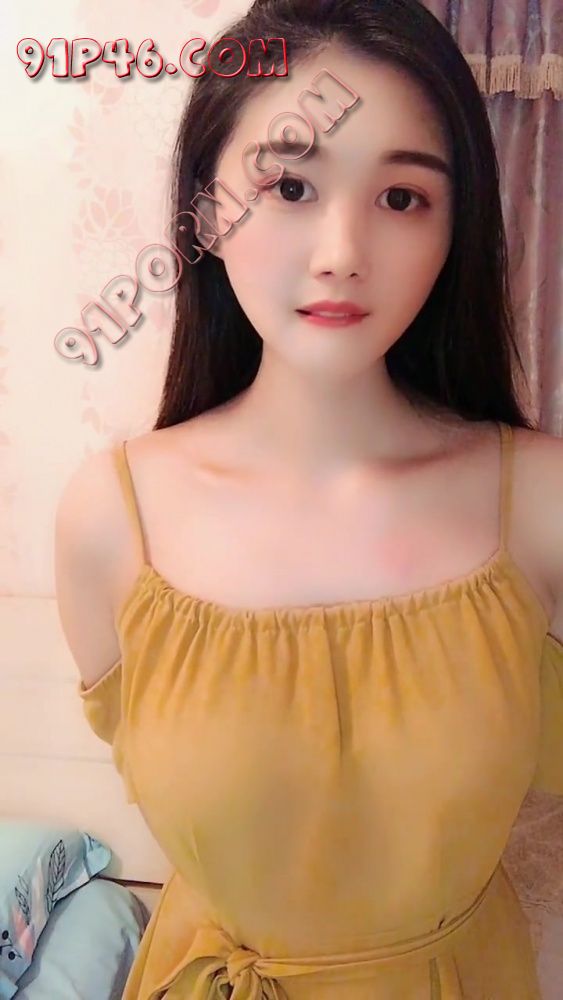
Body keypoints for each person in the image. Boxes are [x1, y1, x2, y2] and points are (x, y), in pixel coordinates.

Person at [55, 0, 563, 996]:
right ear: (206, 213)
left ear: (454, 228)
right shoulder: (113, 518)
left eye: (402, 197)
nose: (341, 250)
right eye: (288, 185)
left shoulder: (539, 502)